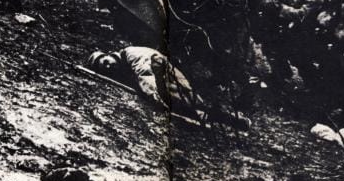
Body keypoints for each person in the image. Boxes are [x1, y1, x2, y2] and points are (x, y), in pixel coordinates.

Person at [87, 47, 251, 130]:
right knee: (195, 108)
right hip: (165, 76)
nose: (109, 67)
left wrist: (153, 96)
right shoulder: (122, 62)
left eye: (106, 62)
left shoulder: (131, 54)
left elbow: (145, 74)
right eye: (105, 68)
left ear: (109, 54)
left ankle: (236, 120)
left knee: (191, 104)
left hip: (168, 76)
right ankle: (235, 121)